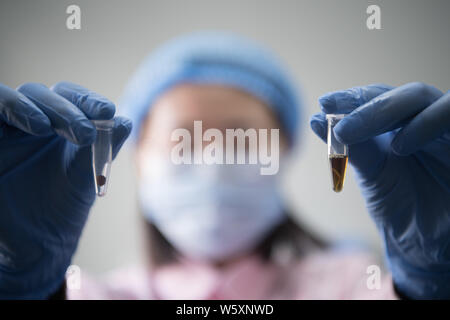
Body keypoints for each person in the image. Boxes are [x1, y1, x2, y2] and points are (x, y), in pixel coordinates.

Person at [0, 32, 449, 300]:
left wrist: (427, 288)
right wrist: (24, 289)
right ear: (136, 157)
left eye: (240, 139)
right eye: (184, 140)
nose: (212, 159)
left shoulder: (357, 284)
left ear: (284, 152)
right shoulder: (88, 294)